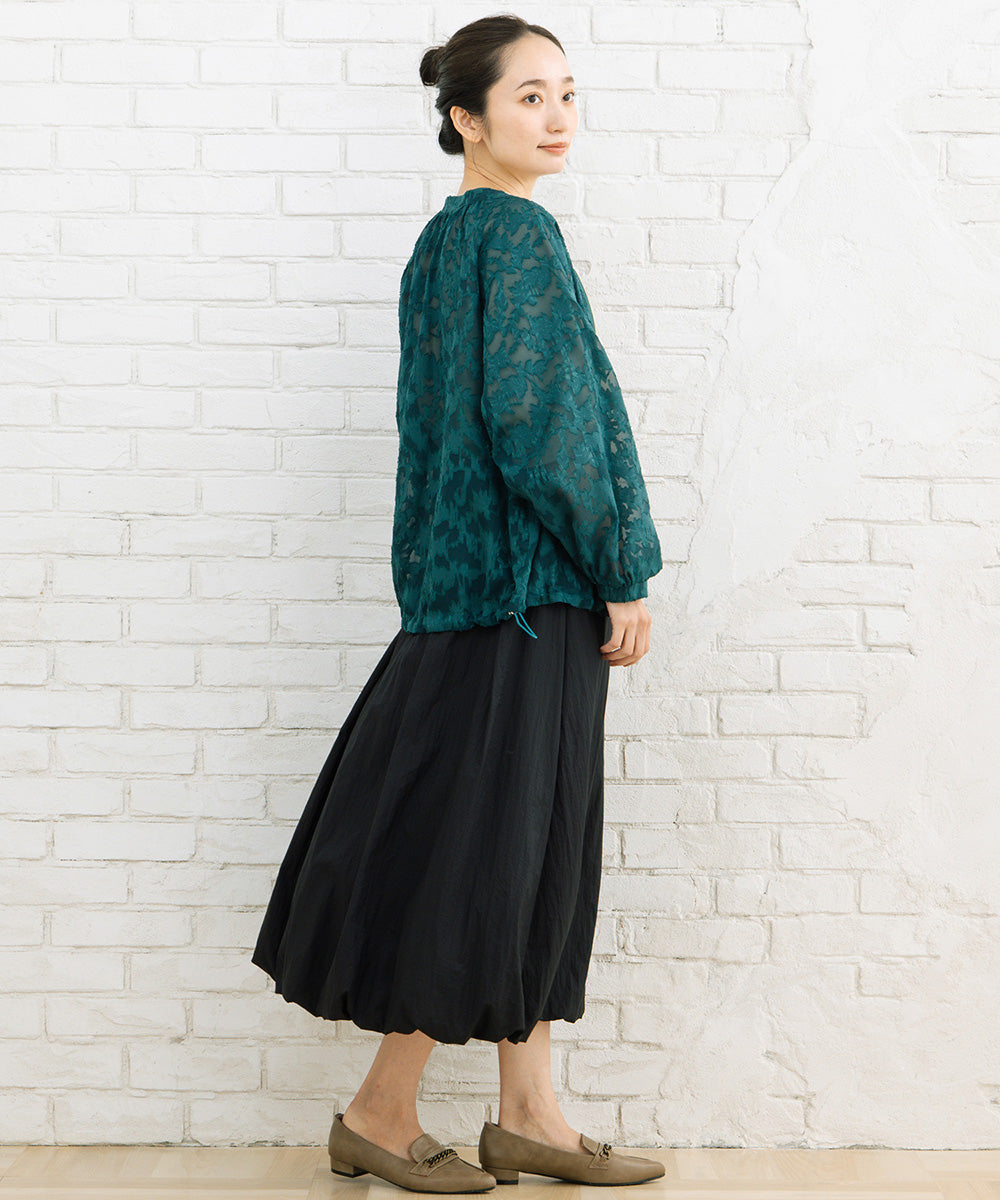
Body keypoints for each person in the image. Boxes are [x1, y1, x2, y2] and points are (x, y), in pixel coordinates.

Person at [251, 14, 665, 1194]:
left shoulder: (445, 243)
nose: (558, 115)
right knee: (487, 854)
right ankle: (381, 1112)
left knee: (516, 849)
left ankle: (528, 1112)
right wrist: (621, 567)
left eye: (567, 93)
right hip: (529, 597)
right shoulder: (518, 238)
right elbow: (541, 427)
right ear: (465, 119)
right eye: (529, 96)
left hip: (465, 595)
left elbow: (436, 436)